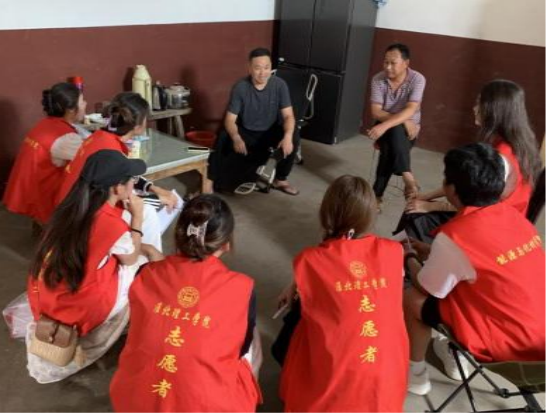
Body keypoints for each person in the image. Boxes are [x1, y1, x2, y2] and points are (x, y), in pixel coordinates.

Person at [403, 144, 546, 396]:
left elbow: (427, 288)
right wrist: (433, 251)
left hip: (516, 351)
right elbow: (488, 261)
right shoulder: (514, 217)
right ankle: (451, 352)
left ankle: (416, 375)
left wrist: (409, 256)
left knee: (412, 298)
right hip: (540, 340)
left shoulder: (457, 236)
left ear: (451, 190)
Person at [111, 195, 262, 413]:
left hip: (133, 399)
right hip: (207, 406)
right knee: (253, 340)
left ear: (179, 235)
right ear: (227, 243)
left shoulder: (146, 272)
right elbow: (242, 348)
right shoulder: (242, 288)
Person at [26, 150, 164, 384]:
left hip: (46, 294)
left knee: (140, 251)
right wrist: (137, 218)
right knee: (145, 261)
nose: (134, 185)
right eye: (131, 180)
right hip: (80, 306)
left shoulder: (70, 208)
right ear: (117, 188)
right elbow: (130, 258)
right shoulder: (111, 223)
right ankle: (150, 318)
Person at [278, 176, 408, 413]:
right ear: (371, 213)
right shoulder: (394, 251)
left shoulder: (310, 259)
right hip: (388, 379)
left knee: (297, 325)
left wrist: (298, 285)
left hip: (335, 384)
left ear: (326, 213)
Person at [401, 80, 543, 243]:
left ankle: (407, 256)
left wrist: (430, 206)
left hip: (494, 227)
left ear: (494, 110)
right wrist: (426, 196)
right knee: (417, 206)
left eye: (479, 103)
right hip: (505, 218)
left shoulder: (501, 158)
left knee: (416, 218)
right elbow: (467, 184)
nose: (474, 108)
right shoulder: (518, 143)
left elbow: (477, 204)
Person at [57, 92, 182, 250]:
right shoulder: (110, 149)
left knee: (144, 204)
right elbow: (121, 196)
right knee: (148, 213)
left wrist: (153, 188)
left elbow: (123, 175)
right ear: (138, 126)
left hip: (70, 204)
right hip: (82, 213)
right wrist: (158, 200)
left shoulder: (100, 136)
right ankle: (142, 259)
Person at [207, 48, 299, 196]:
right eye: (257, 68)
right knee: (223, 135)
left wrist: (287, 137)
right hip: (247, 132)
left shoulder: (279, 85)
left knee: (293, 133)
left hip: (269, 132)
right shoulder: (240, 87)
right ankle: (208, 182)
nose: (262, 73)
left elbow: (288, 116)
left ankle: (280, 179)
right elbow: (230, 119)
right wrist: (236, 137)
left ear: (271, 67)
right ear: (249, 68)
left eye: (266, 67)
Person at [3, 82, 87, 224]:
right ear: (71, 110)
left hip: (30, 191)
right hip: (44, 196)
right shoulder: (66, 138)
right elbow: (93, 158)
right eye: (82, 101)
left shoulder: (45, 124)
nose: (85, 104)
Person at [367, 44, 427, 209]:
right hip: (397, 126)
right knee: (393, 133)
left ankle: (376, 196)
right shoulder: (378, 79)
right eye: (385, 62)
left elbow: (411, 109)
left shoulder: (417, 79)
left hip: (409, 132)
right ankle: (407, 176)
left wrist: (385, 125)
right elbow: (376, 111)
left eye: (393, 63)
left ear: (406, 63)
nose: (388, 67)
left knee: (389, 147)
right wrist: (403, 120)